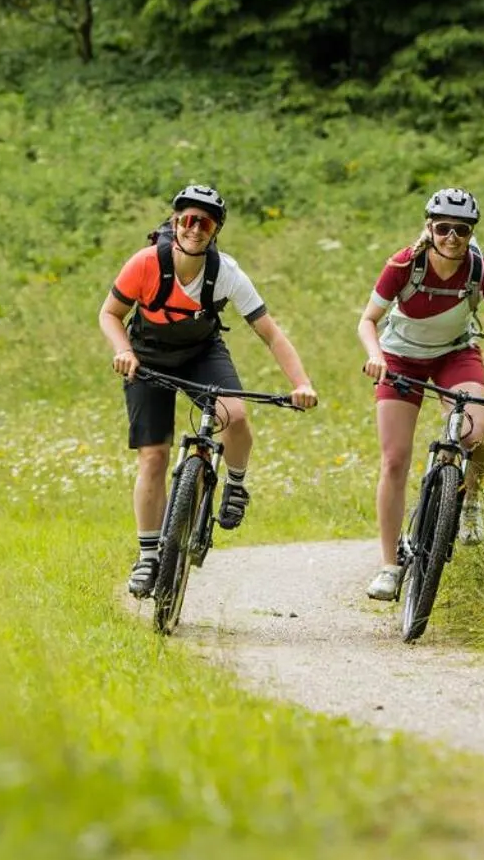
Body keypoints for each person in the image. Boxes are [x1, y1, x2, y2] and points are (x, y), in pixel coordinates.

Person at [100, 185, 319, 597]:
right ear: (174, 222)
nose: (194, 229)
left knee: (234, 415)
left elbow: (270, 334)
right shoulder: (145, 263)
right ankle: (148, 557)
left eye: (204, 222)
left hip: (201, 353)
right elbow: (110, 314)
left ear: (215, 230)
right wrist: (123, 350)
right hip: (147, 357)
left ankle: (235, 485)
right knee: (153, 457)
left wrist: (301, 384)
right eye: (186, 219)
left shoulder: (226, 273)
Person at [356, 187, 484, 602]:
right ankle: (388, 567)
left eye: (462, 230)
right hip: (399, 359)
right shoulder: (404, 264)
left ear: (471, 233)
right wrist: (375, 355)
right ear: (429, 228)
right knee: (395, 459)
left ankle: (469, 501)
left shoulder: (480, 271)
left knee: (474, 435)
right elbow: (367, 321)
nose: (452, 237)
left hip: (456, 354)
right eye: (443, 228)